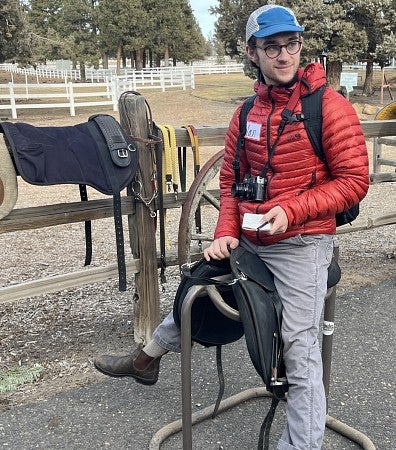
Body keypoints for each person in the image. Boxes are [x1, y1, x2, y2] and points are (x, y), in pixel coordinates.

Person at [94, 5, 369, 449]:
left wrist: (293, 211)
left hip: (304, 241)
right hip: (251, 239)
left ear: (300, 46)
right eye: (272, 47)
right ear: (253, 53)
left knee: (300, 349)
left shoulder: (330, 107)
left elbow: (355, 181)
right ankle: (146, 359)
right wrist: (225, 231)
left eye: (291, 45)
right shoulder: (246, 114)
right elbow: (230, 183)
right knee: (195, 286)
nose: (284, 56)